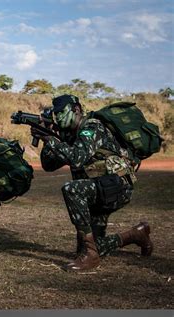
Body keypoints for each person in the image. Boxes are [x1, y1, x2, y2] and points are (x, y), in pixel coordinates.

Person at [32, 94, 153, 271]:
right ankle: (136, 234)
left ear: (77, 110)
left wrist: (52, 140)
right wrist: (46, 138)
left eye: (61, 113)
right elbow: (49, 165)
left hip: (117, 187)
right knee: (92, 247)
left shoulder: (92, 127)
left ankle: (91, 254)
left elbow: (76, 158)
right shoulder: (70, 135)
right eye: (55, 114)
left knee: (72, 190)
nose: (58, 117)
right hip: (99, 189)